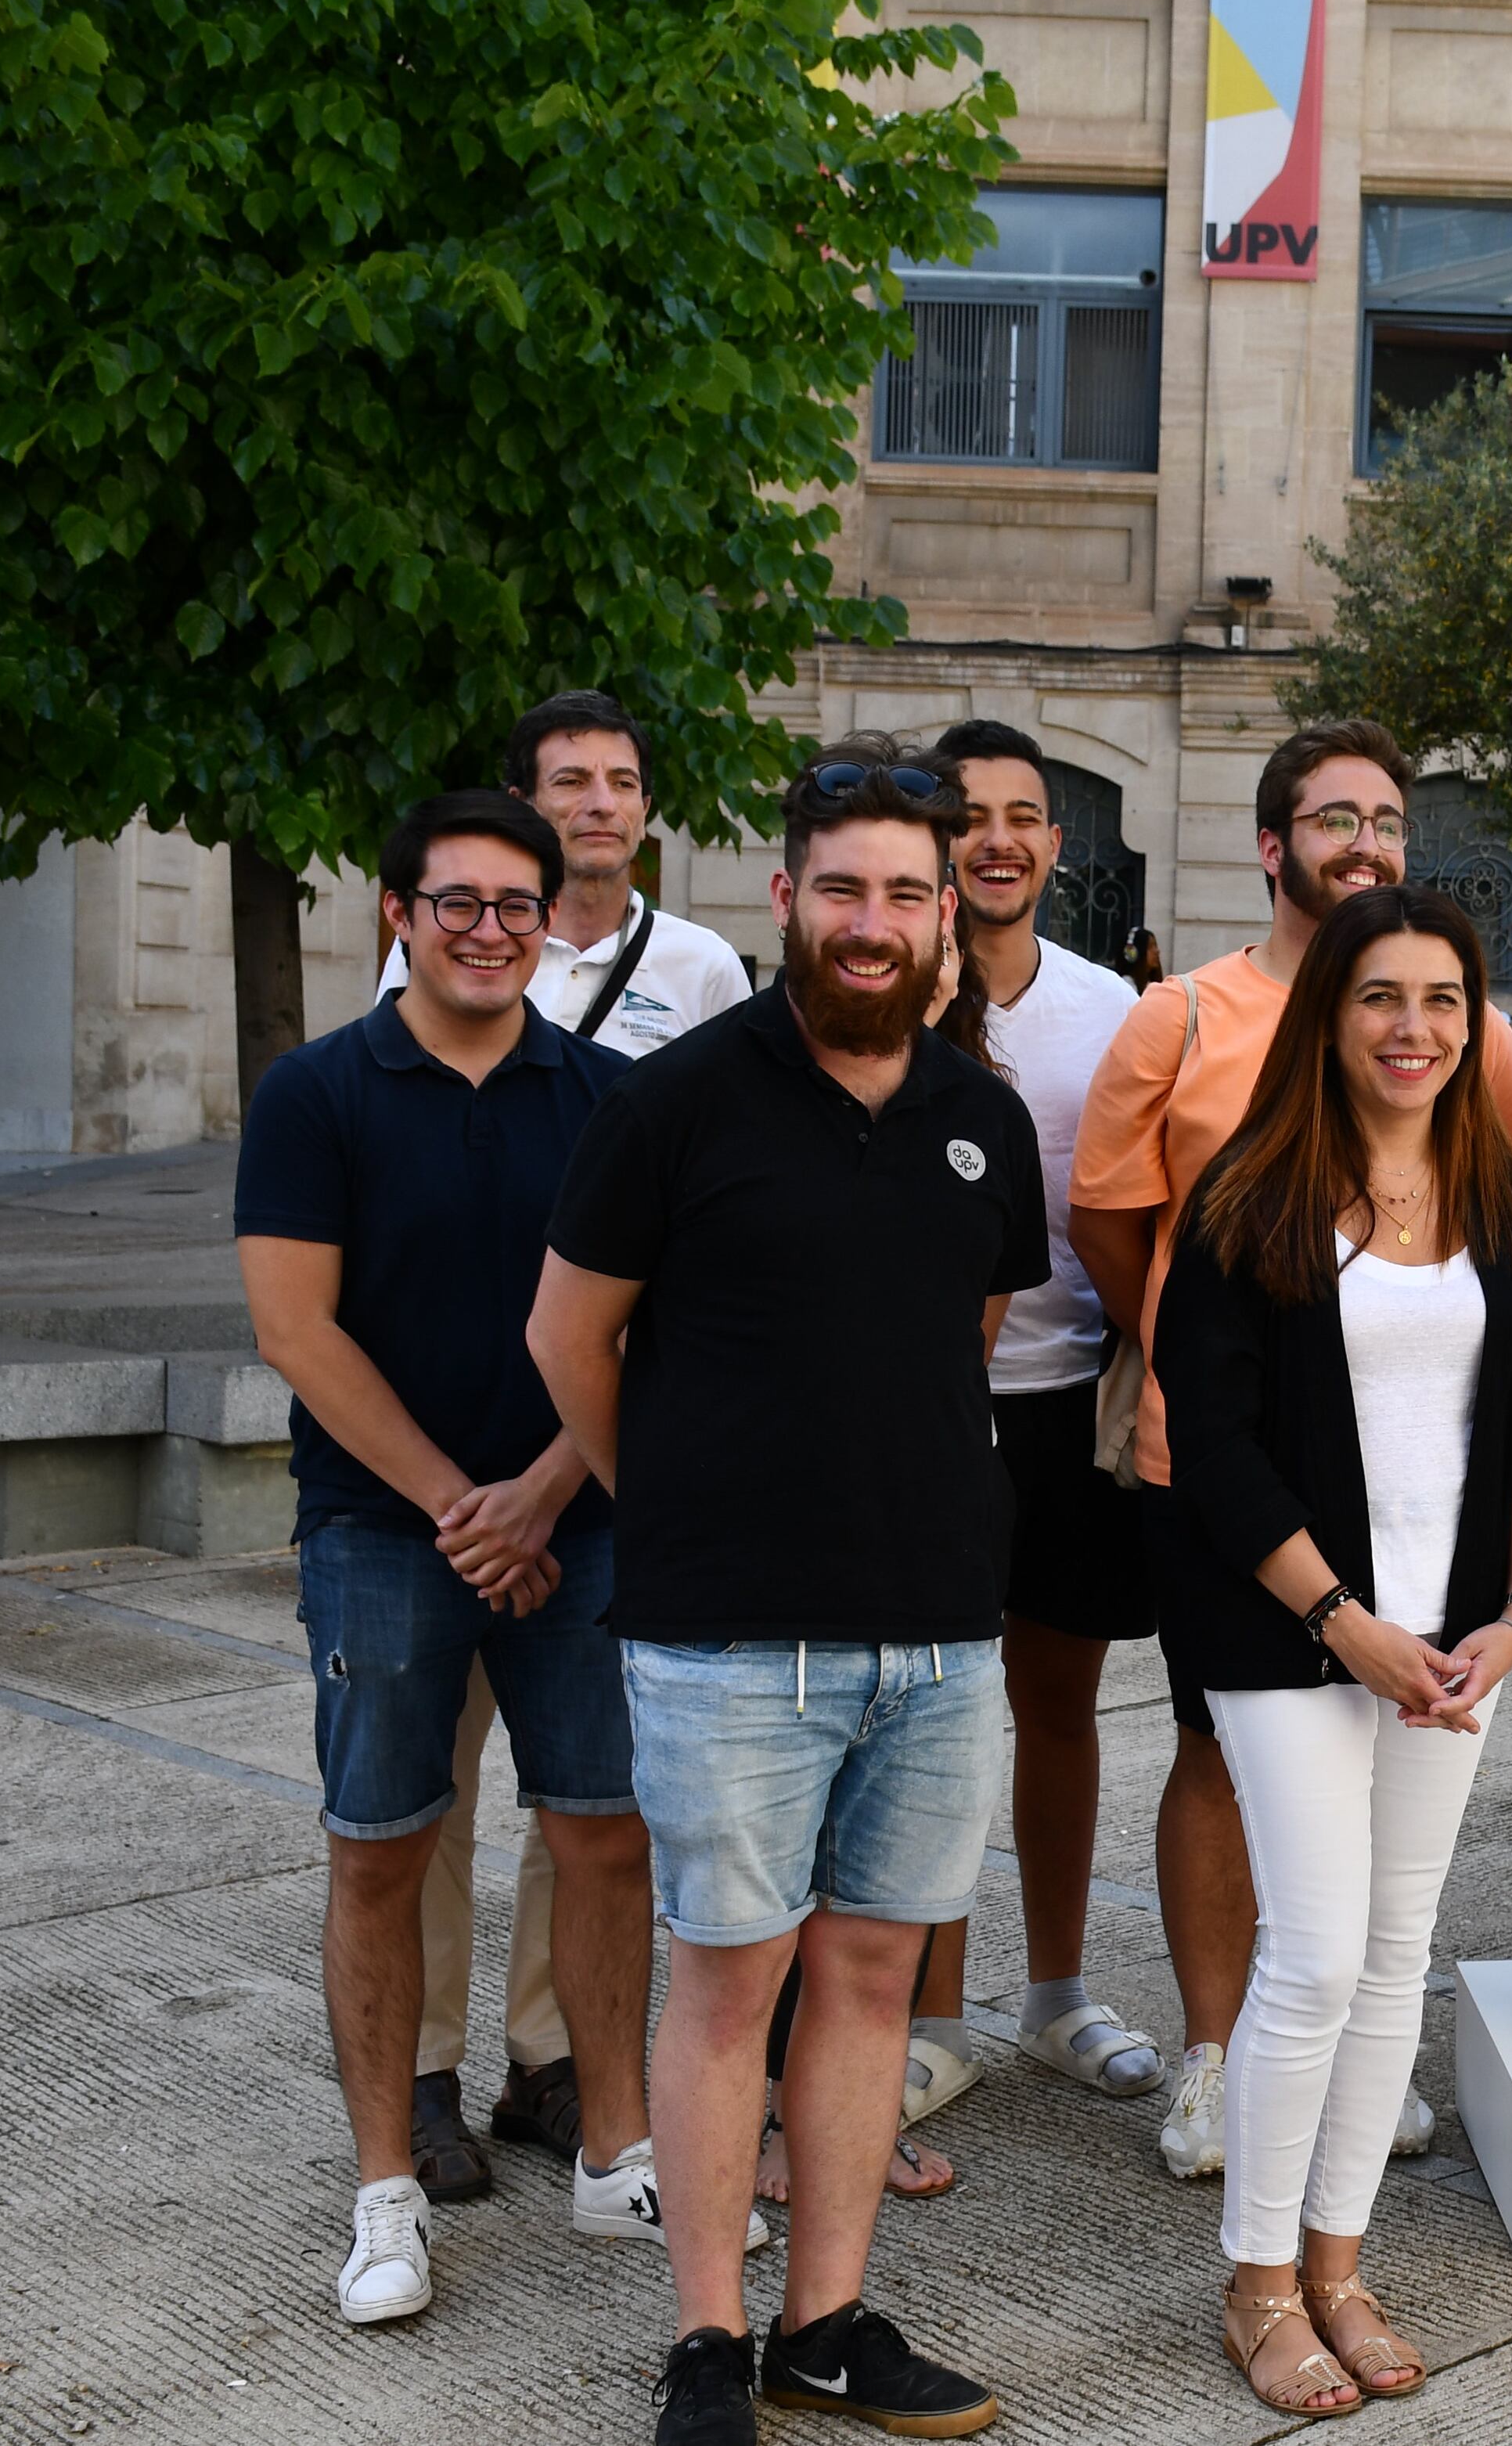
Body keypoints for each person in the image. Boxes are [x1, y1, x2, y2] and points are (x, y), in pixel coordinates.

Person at [528, 737, 1036, 2445]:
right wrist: (674, 1506)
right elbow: (566, 1340)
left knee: (874, 1980)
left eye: (909, 890)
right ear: (785, 899)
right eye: (845, 889)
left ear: (942, 912)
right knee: (729, 1983)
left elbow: (960, 1348)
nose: (876, 921)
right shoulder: (673, 1103)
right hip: (730, 1638)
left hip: (939, 1638)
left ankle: (827, 2320)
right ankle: (701, 2337)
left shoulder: (983, 1119)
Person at [1068, 719, 1512, 2179]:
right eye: (1334, 817)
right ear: (1272, 845)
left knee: (1373, 1884)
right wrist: (1190, 1342)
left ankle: (1330, 2069)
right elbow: (1104, 1219)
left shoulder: (1473, 1034)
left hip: (1409, 1496)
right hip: (1214, 1473)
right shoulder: (1183, 1018)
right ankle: (1221, 2058)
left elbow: (1505, 1213)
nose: (1367, 841)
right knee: (1224, 1756)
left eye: (1388, 818)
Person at [236, 792, 668, 2325]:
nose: (488, 928)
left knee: (607, 1832)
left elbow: (639, 1324)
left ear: (554, 920)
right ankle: (386, 2192)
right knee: (380, 1842)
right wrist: (457, 1506)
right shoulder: (317, 1093)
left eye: (515, 904)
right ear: (396, 914)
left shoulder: (614, 1098)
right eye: (455, 901)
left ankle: (618, 2152)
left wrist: (542, 1492)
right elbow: (297, 1326)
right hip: (381, 1531)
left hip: (580, 1518)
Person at [1154, 884, 1512, 2414]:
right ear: (1329, 1017)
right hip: (1287, 1635)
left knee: (1397, 1954)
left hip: (1454, 1645)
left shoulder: (1507, 1201)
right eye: (1381, 997)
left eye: (1443, 1000)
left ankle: (1337, 2263)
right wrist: (1345, 1622)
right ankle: (1256, 2281)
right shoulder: (1244, 1198)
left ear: (1477, 1023)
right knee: (1319, 1951)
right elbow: (1213, 1447)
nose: (1414, 1028)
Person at [374, 692, 753, 2200]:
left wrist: (560, 1477)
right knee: (426, 1790)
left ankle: (551, 2059)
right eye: (568, 783)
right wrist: (470, 1498)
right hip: (431, 1466)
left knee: (589, 1799)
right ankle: (422, 2079)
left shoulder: (707, 969)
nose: (599, 803)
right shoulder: (459, 945)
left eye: (621, 782)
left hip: (588, 1444)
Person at [930, 721, 1161, 2106]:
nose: (999, 836)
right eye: (971, 814)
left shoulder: (1114, 1009)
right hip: (931, 1412)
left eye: (1026, 813)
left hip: (1069, 1408)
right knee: (942, 1721)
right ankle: (934, 2015)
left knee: (1058, 1705)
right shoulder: (891, 994)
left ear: (1056, 845)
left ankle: (1056, 1990)